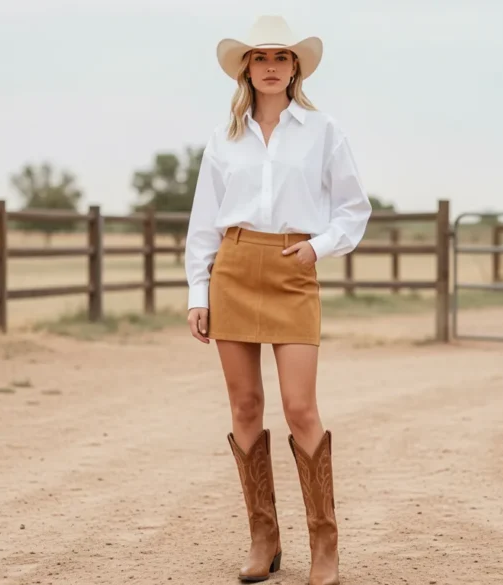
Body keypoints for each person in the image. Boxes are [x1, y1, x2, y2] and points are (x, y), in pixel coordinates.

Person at [184, 14, 371, 585]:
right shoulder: (224, 139)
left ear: (294, 68)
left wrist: (318, 248)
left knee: (299, 408)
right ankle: (263, 538)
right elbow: (203, 225)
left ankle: (325, 546)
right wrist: (199, 290)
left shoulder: (323, 130)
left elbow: (353, 208)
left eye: (281, 58)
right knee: (244, 407)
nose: (270, 67)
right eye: (260, 58)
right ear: (246, 68)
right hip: (234, 268)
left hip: (294, 269)